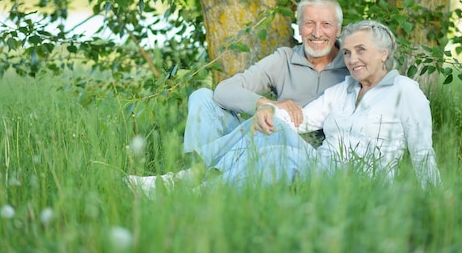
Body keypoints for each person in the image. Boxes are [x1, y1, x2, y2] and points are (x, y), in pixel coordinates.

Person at [128, 20, 441, 193]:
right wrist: (267, 111)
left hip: (359, 184)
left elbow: (423, 153)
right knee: (272, 137)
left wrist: (435, 206)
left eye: (361, 50)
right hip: (319, 167)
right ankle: (194, 192)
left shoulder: (406, 92)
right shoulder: (344, 91)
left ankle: (186, 183)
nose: (352, 59)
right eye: (346, 53)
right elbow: (300, 121)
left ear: (384, 53)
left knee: (275, 146)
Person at [125, 0, 349, 190]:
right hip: (262, 138)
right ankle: (203, 179)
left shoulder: (353, 67)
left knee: (273, 125)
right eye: (309, 23)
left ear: (338, 29)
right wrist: (267, 105)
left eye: (326, 25)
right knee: (203, 98)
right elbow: (224, 91)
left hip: (305, 156)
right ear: (299, 28)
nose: (317, 32)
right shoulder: (285, 60)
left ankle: (186, 180)